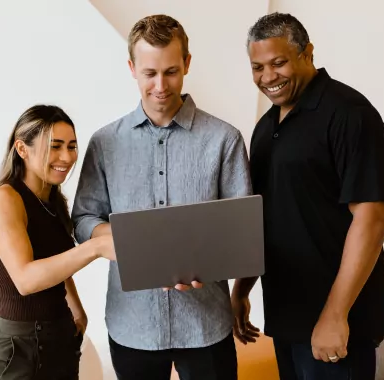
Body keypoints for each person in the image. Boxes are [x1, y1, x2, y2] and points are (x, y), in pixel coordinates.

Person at [71, 14, 252, 380]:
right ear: (132, 68)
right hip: (132, 323)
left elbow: (242, 232)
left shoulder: (224, 139)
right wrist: (125, 244)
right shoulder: (105, 142)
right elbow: (83, 219)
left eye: (170, 71)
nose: (160, 85)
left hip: (205, 323)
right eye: (149, 73)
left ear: (186, 64)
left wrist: (211, 263)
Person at [231, 12, 384, 380]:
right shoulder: (266, 128)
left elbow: (373, 217)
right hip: (288, 316)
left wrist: (334, 315)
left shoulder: (349, 114)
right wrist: (242, 289)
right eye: (257, 67)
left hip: (338, 322)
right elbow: (263, 216)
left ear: (307, 53)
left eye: (278, 63)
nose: (267, 77)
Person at [0, 105, 116, 380]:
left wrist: (76, 309)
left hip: (59, 339)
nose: (67, 157)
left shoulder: (53, 201)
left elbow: (53, 261)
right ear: (22, 148)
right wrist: (95, 247)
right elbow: (26, 279)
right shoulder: (5, 200)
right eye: (55, 146)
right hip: (16, 352)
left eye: (72, 146)